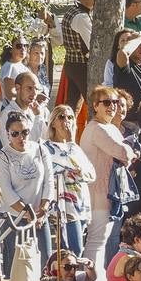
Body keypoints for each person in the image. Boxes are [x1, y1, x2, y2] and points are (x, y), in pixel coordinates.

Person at [81, 87, 136, 281]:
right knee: (96, 238)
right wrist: (129, 152)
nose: (111, 106)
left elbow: (126, 152)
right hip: (96, 192)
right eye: (106, 102)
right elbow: (123, 152)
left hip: (111, 191)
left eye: (114, 102)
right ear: (95, 106)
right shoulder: (96, 129)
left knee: (102, 238)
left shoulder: (111, 128)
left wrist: (128, 153)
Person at [0, 111, 54, 273]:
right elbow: (5, 191)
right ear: (8, 135)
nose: (21, 137)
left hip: (40, 215)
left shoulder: (41, 150)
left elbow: (49, 182)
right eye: (15, 134)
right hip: (15, 218)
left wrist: (43, 209)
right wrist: (29, 215)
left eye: (25, 132)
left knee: (46, 261)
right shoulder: (3, 156)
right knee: (16, 267)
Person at [43, 104, 95, 256]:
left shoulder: (75, 147)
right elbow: (47, 173)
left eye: (70, 117)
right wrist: (68, 173)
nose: (66, 120)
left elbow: (92, 174)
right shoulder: (46, 148)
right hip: (63, 205)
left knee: (77, 250)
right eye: (61, 117)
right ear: (52, 122)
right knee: (73, 250)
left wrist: (80, 173)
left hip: (81, 202)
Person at [59, 0, 94, 115]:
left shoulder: (72, 11)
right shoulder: (81, 17)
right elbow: (91, 45)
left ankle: (65, 131)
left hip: (71, 64)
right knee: (93, 102)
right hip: (80, 66)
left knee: (72, 104)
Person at [0, 72, 47, 151]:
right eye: (29, 88)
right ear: (17, 88)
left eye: (36, 89)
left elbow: (45, 138)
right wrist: (38, 117)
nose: (34, 93)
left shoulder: (34, 111)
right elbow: (24, 147)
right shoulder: (7, 114)